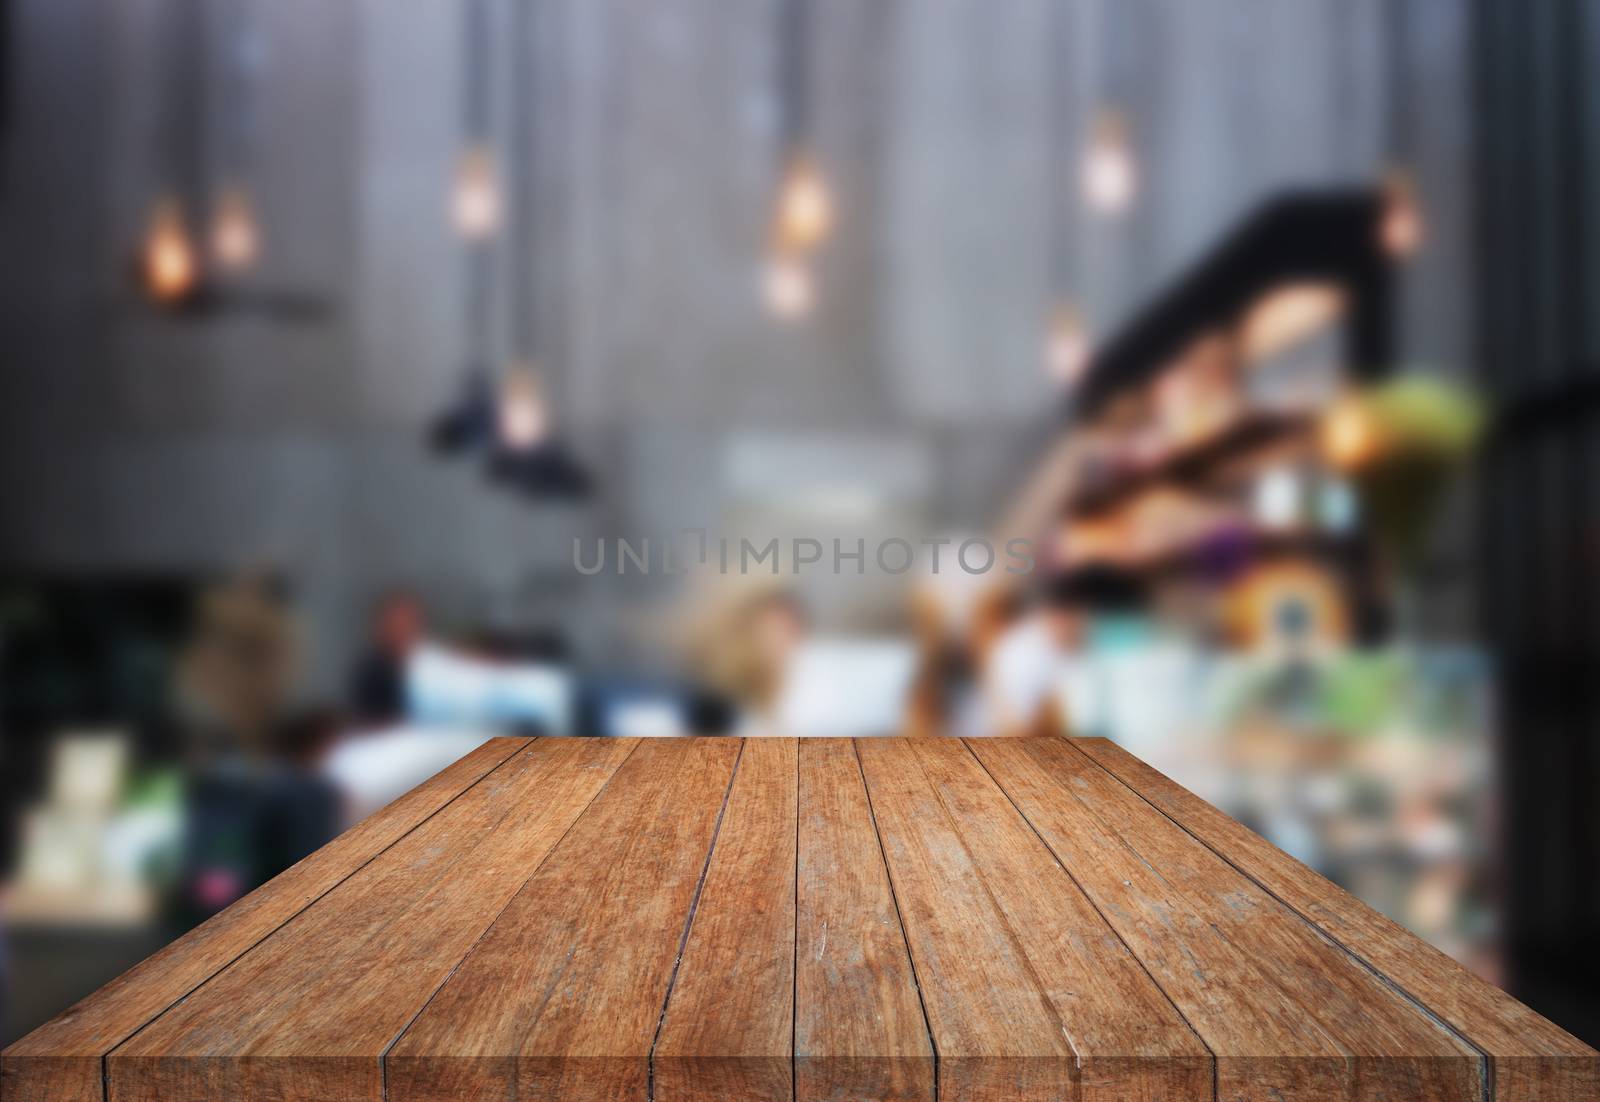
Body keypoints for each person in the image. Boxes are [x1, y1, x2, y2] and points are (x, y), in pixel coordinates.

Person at [348, 589, 425, 727]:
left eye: (406, 622)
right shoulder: (371, 672)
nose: (401, 629)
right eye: (396, 622)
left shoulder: (428, 666)